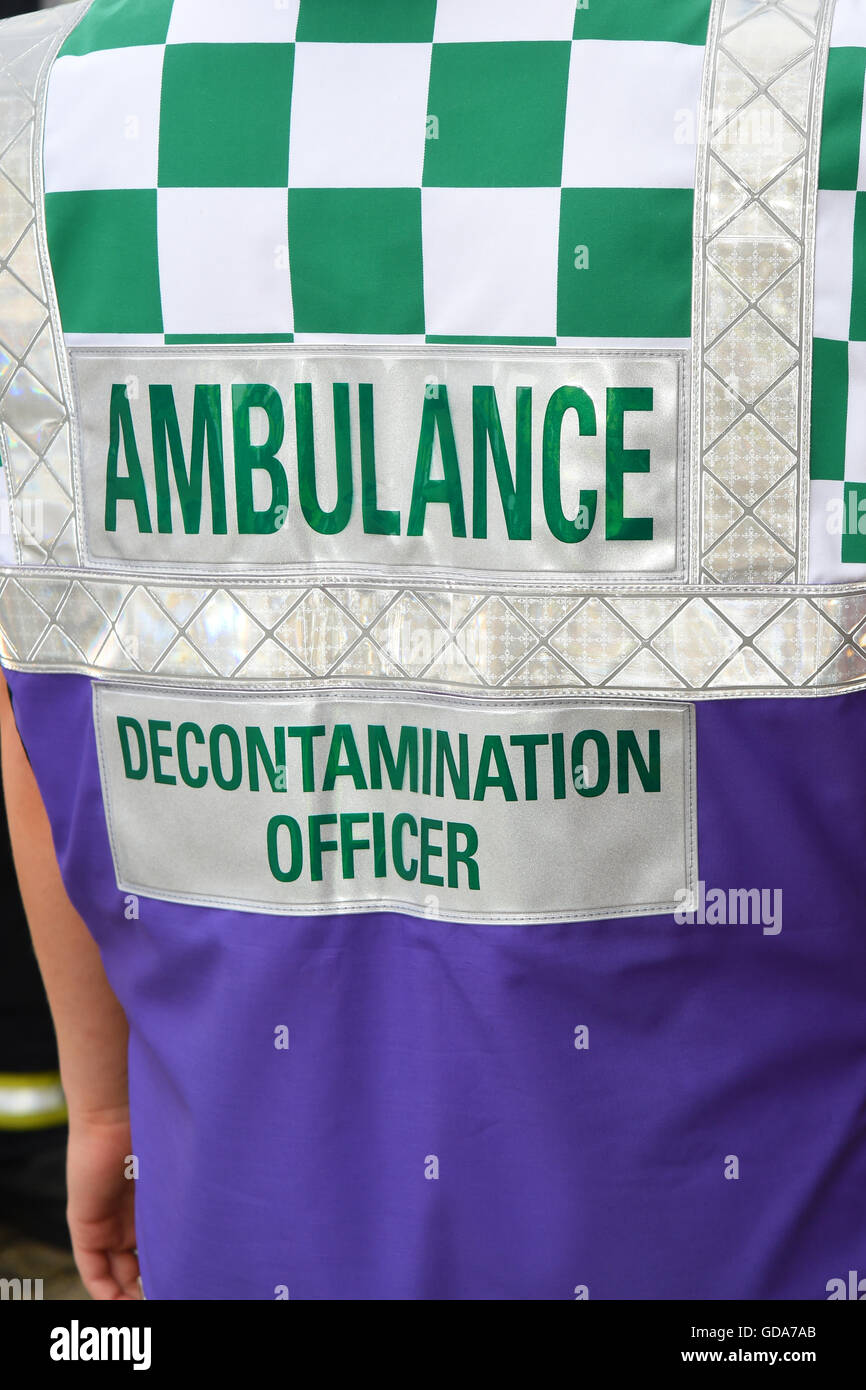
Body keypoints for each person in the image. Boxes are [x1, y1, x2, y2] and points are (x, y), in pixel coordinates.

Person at [0, 0, 864, 1301]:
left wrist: (103, 1086)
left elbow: (33, 653)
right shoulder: (820, 81)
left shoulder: (36, 103)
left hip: (244, 1225)